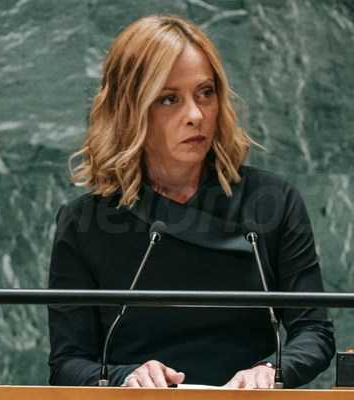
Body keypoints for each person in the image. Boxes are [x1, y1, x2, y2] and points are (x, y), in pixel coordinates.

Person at [48, 15, 335, 389]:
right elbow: (67, 363)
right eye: (169, 99)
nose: (196, 115)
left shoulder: (273, 201)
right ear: (130, 109)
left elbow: (314, 331)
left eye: (205, 93)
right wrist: (125, 377)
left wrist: (271, 370)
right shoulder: (84, 221)